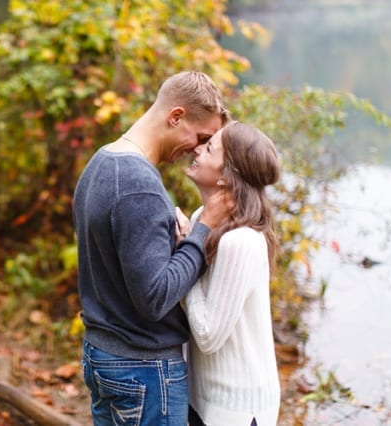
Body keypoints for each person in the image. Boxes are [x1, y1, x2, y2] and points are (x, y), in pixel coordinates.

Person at [73, 71, 233, 426]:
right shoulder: (139, 184)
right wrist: (203, 231)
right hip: (143, 369)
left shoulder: (100, 162)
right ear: (175, 116)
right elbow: (155, 298)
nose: (197, 149)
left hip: (104, 355)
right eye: (201, 136)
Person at [183, 121, 281, 426]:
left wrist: (184, 250)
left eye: (209, 147)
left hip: (238, 410)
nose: (197, 148)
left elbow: (208, 335)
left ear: (226, 178)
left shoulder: (241, 242)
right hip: (202, 398)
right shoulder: (202, 218)